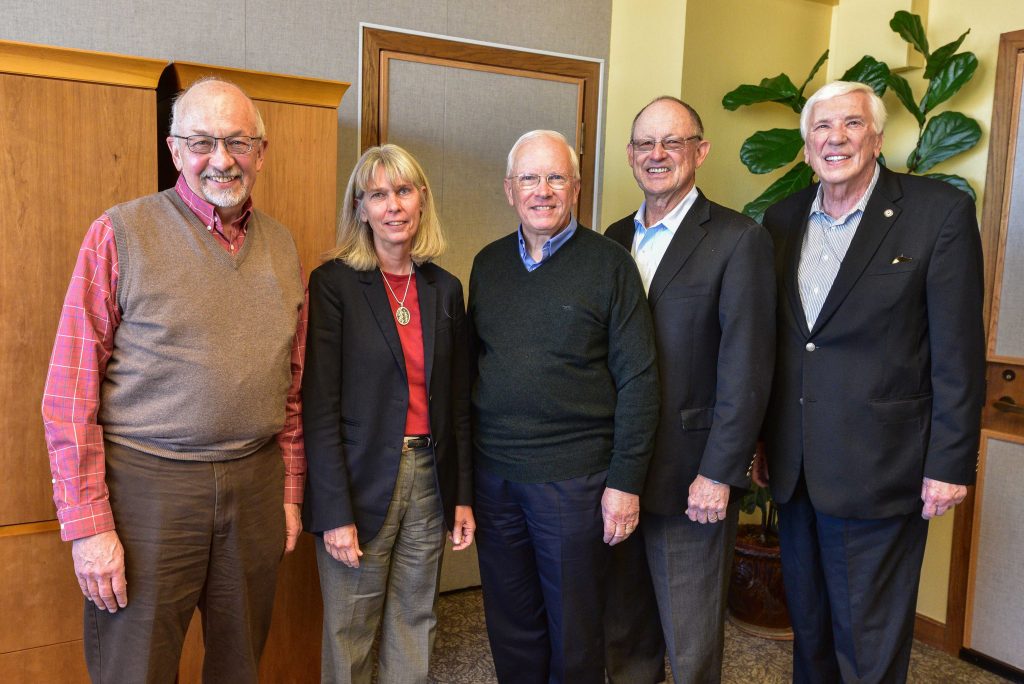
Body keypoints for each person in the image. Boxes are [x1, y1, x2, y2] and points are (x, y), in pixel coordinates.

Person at [41, 77, 306, 683]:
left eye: (238, 141)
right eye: (202, 141)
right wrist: (89, 528)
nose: (221, 159)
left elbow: (291, 389)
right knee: (137, 669)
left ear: (260, 152)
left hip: (255, 485)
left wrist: (290, 492)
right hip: (146, 489)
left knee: (240, 665)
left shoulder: (284, 247)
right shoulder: (120, 234)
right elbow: (67, 396)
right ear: (174, 149)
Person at [756, 80, 986, 683]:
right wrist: (760, 441)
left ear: (877, 138)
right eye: (822, 129)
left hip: (885, 467)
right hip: (797, 467)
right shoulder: (780, 220)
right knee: (810, 632)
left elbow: (959, 351)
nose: (837, 139)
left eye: (852, 125)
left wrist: (951, 463)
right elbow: (781, 346)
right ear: (806, 147)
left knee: (869, 646)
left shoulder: (938, 213)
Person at [469, 129, 659, 684]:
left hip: (574, 482)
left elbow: (640, 380)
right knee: (510, 621)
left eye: (556, 177)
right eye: (529, 177)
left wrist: (625, 485)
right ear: (510, 189)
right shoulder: (487, 265)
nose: (542, 190)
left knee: (575, 631)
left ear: (576, 187)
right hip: (496, 476)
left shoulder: (610, 265)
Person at [605, 96, 775, 683]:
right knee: (624, 632)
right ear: (630, 155)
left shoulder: (736, 239)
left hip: (691, 477)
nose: (657, 155)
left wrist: (719, 471)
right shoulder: (612, 239)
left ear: (699, 152)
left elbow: (747, 367)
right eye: (645, 144)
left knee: (691, 638)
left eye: (672, 143)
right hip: (619, 474)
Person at [302, 143, 475, 684]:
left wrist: (463, 495)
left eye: (403, 191)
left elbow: (459, 404)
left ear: (421, 200)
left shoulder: (444, 289)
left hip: (430, 478)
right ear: (361, 208)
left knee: (416, 616)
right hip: (359, 482)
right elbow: (319, 407)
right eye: (378, 194)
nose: (393, 205)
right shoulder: (333, 285)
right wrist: (333, 511)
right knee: (350, 629)